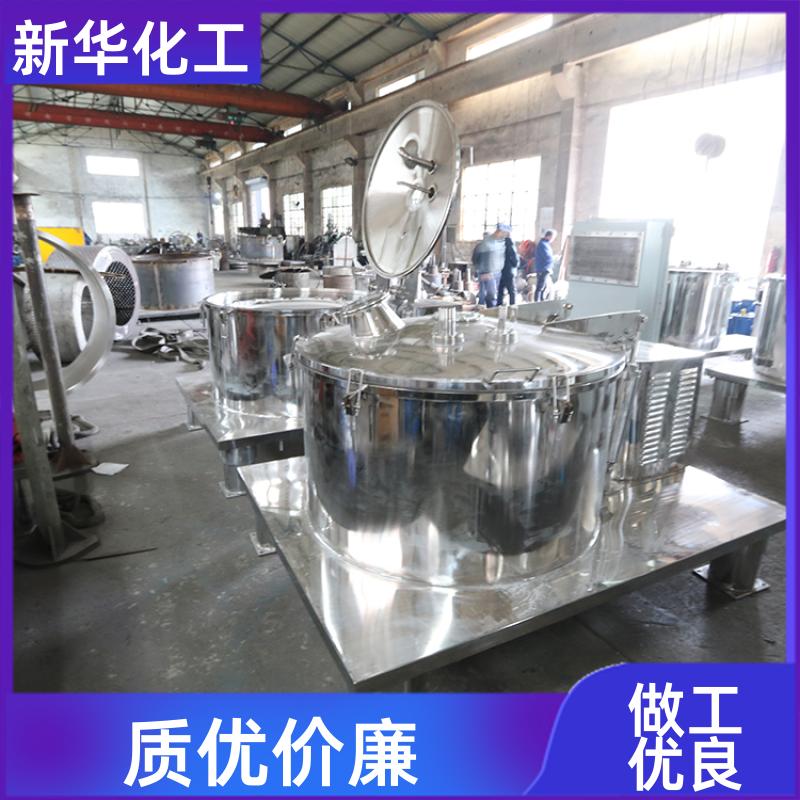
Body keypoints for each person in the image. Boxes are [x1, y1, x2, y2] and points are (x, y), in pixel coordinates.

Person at [495, 223, 518, 306]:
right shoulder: (509, 244)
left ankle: (498, 306)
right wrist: (515, 264)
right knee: (511, 291)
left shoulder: (498, 244)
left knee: (500, 291)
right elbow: (514, 259)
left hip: (500, 270)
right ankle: (512, 306)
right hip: (508, 271)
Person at [472, 232, 497, 308]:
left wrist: (477, 268)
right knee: (490, 291)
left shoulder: (479, 247)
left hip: (482, 271)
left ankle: (481, 305)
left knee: (482, 289)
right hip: (489, 272)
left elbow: (474, 259)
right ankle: (490, 307)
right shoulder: (493, 247)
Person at [534, 229, 557, 301]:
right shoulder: (542, 244)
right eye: (552, 237)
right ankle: (536, 302)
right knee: (540, 287)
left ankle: (541, 300)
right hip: (543, 268)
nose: (553, 239)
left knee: (544, 286)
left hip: (546, 268)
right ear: (548, 236)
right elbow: (547, 257)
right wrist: (552, 259)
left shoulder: (546, 244)